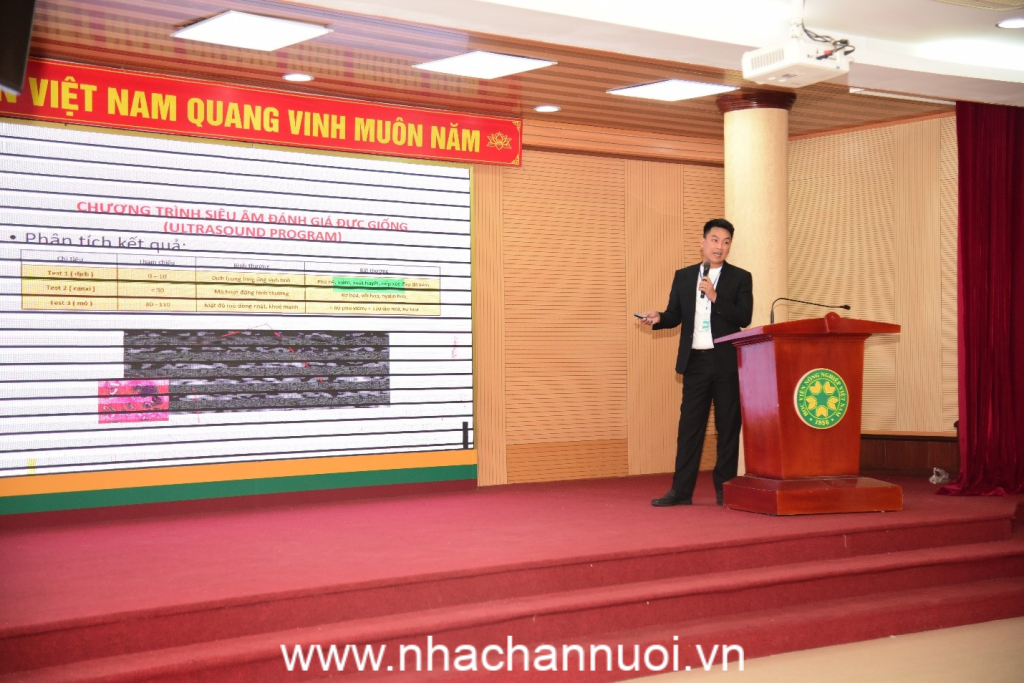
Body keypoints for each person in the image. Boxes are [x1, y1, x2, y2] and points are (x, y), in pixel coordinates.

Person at [638, 218, 753, 506]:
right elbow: (675, 314)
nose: (720, 247)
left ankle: (725, 489)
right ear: (703, 243)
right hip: (695, 363)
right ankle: (681, 491)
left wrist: (715, 297)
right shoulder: (684, 276)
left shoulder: (740, 277)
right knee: (689, 428)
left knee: (728, 427)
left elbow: (744, 317)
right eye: (715, 240)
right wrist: (659, 318)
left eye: (726, 242)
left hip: (726, 363)